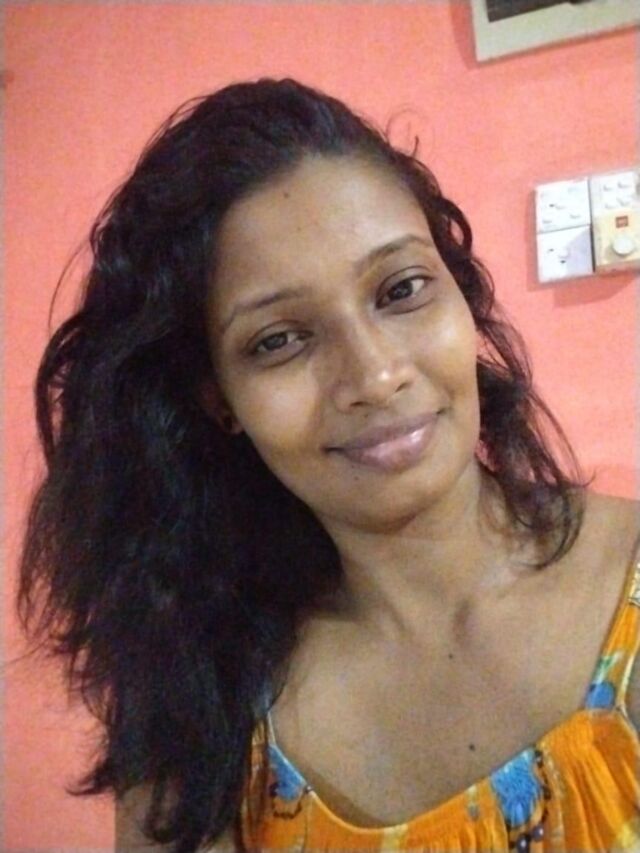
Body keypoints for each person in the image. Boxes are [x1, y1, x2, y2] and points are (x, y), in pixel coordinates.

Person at [17, 77, 640, 853]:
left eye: (402, 289)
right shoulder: (204, 719)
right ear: (218, 398)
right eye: (279, 339)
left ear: (462, 295)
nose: (374, 375)